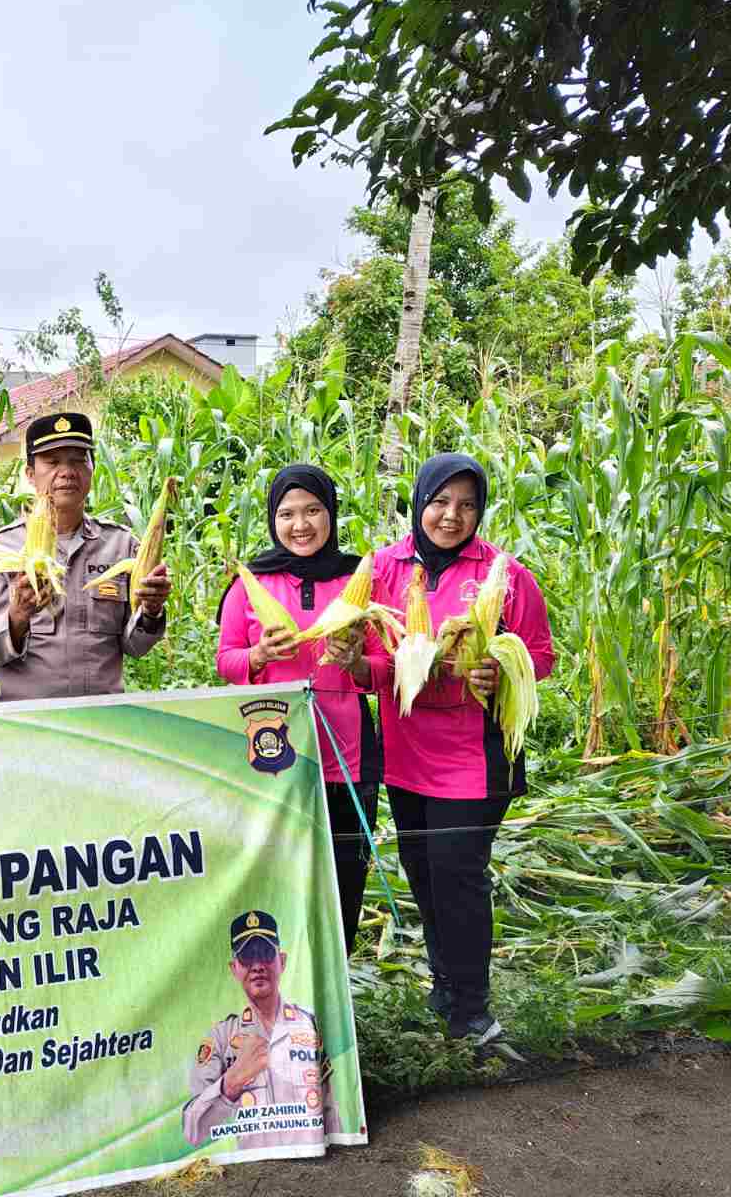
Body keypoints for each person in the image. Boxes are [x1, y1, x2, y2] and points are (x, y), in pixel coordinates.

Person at [350, 453, 554, 1043]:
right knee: (422, 872)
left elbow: (539, 654)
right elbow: (372, 664)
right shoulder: (384, 567)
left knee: (458, 873)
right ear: (419, 503)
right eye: (439, 502)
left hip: (475, 755)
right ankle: (445, 990)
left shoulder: (503, 573)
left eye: (466, 505)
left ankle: (472, 1009)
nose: (450, 516)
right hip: (408, 751)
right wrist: (354, 663)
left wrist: (502, 671)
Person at [216, 465, 382, 953]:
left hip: (345, 760)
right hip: (271, 757)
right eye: (287, 513)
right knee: (277, 874)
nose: (300, 524)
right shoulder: (252, 583)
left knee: (344, 877)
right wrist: (260, 655)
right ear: (273, 520)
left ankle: (336, 987)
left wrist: (356, 664)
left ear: (330, 514)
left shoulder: (359, 580)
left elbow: (385, 666)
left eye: (313, 510)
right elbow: (226, 659)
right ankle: (284, 990)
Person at [0, 412, 170, 699]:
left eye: (78, 460)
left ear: (92, 469)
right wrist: (19, 615)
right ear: (29, 474)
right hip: (28, 725)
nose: (67, 472)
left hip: (103, 721)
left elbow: (136, 647)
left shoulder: (121, 546)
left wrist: (151, 611)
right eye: (52, 462)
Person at [183, 910, 340, 1149]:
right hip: (257, 1171)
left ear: (282, 961)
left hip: (311, 1166)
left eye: (265, 953)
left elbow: (330, 1108)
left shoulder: (309, 1024)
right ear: (234, 968)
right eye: (247, 956)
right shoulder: (221, 1038)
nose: (257, 965)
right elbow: (193, 1131)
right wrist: (231, 1083)